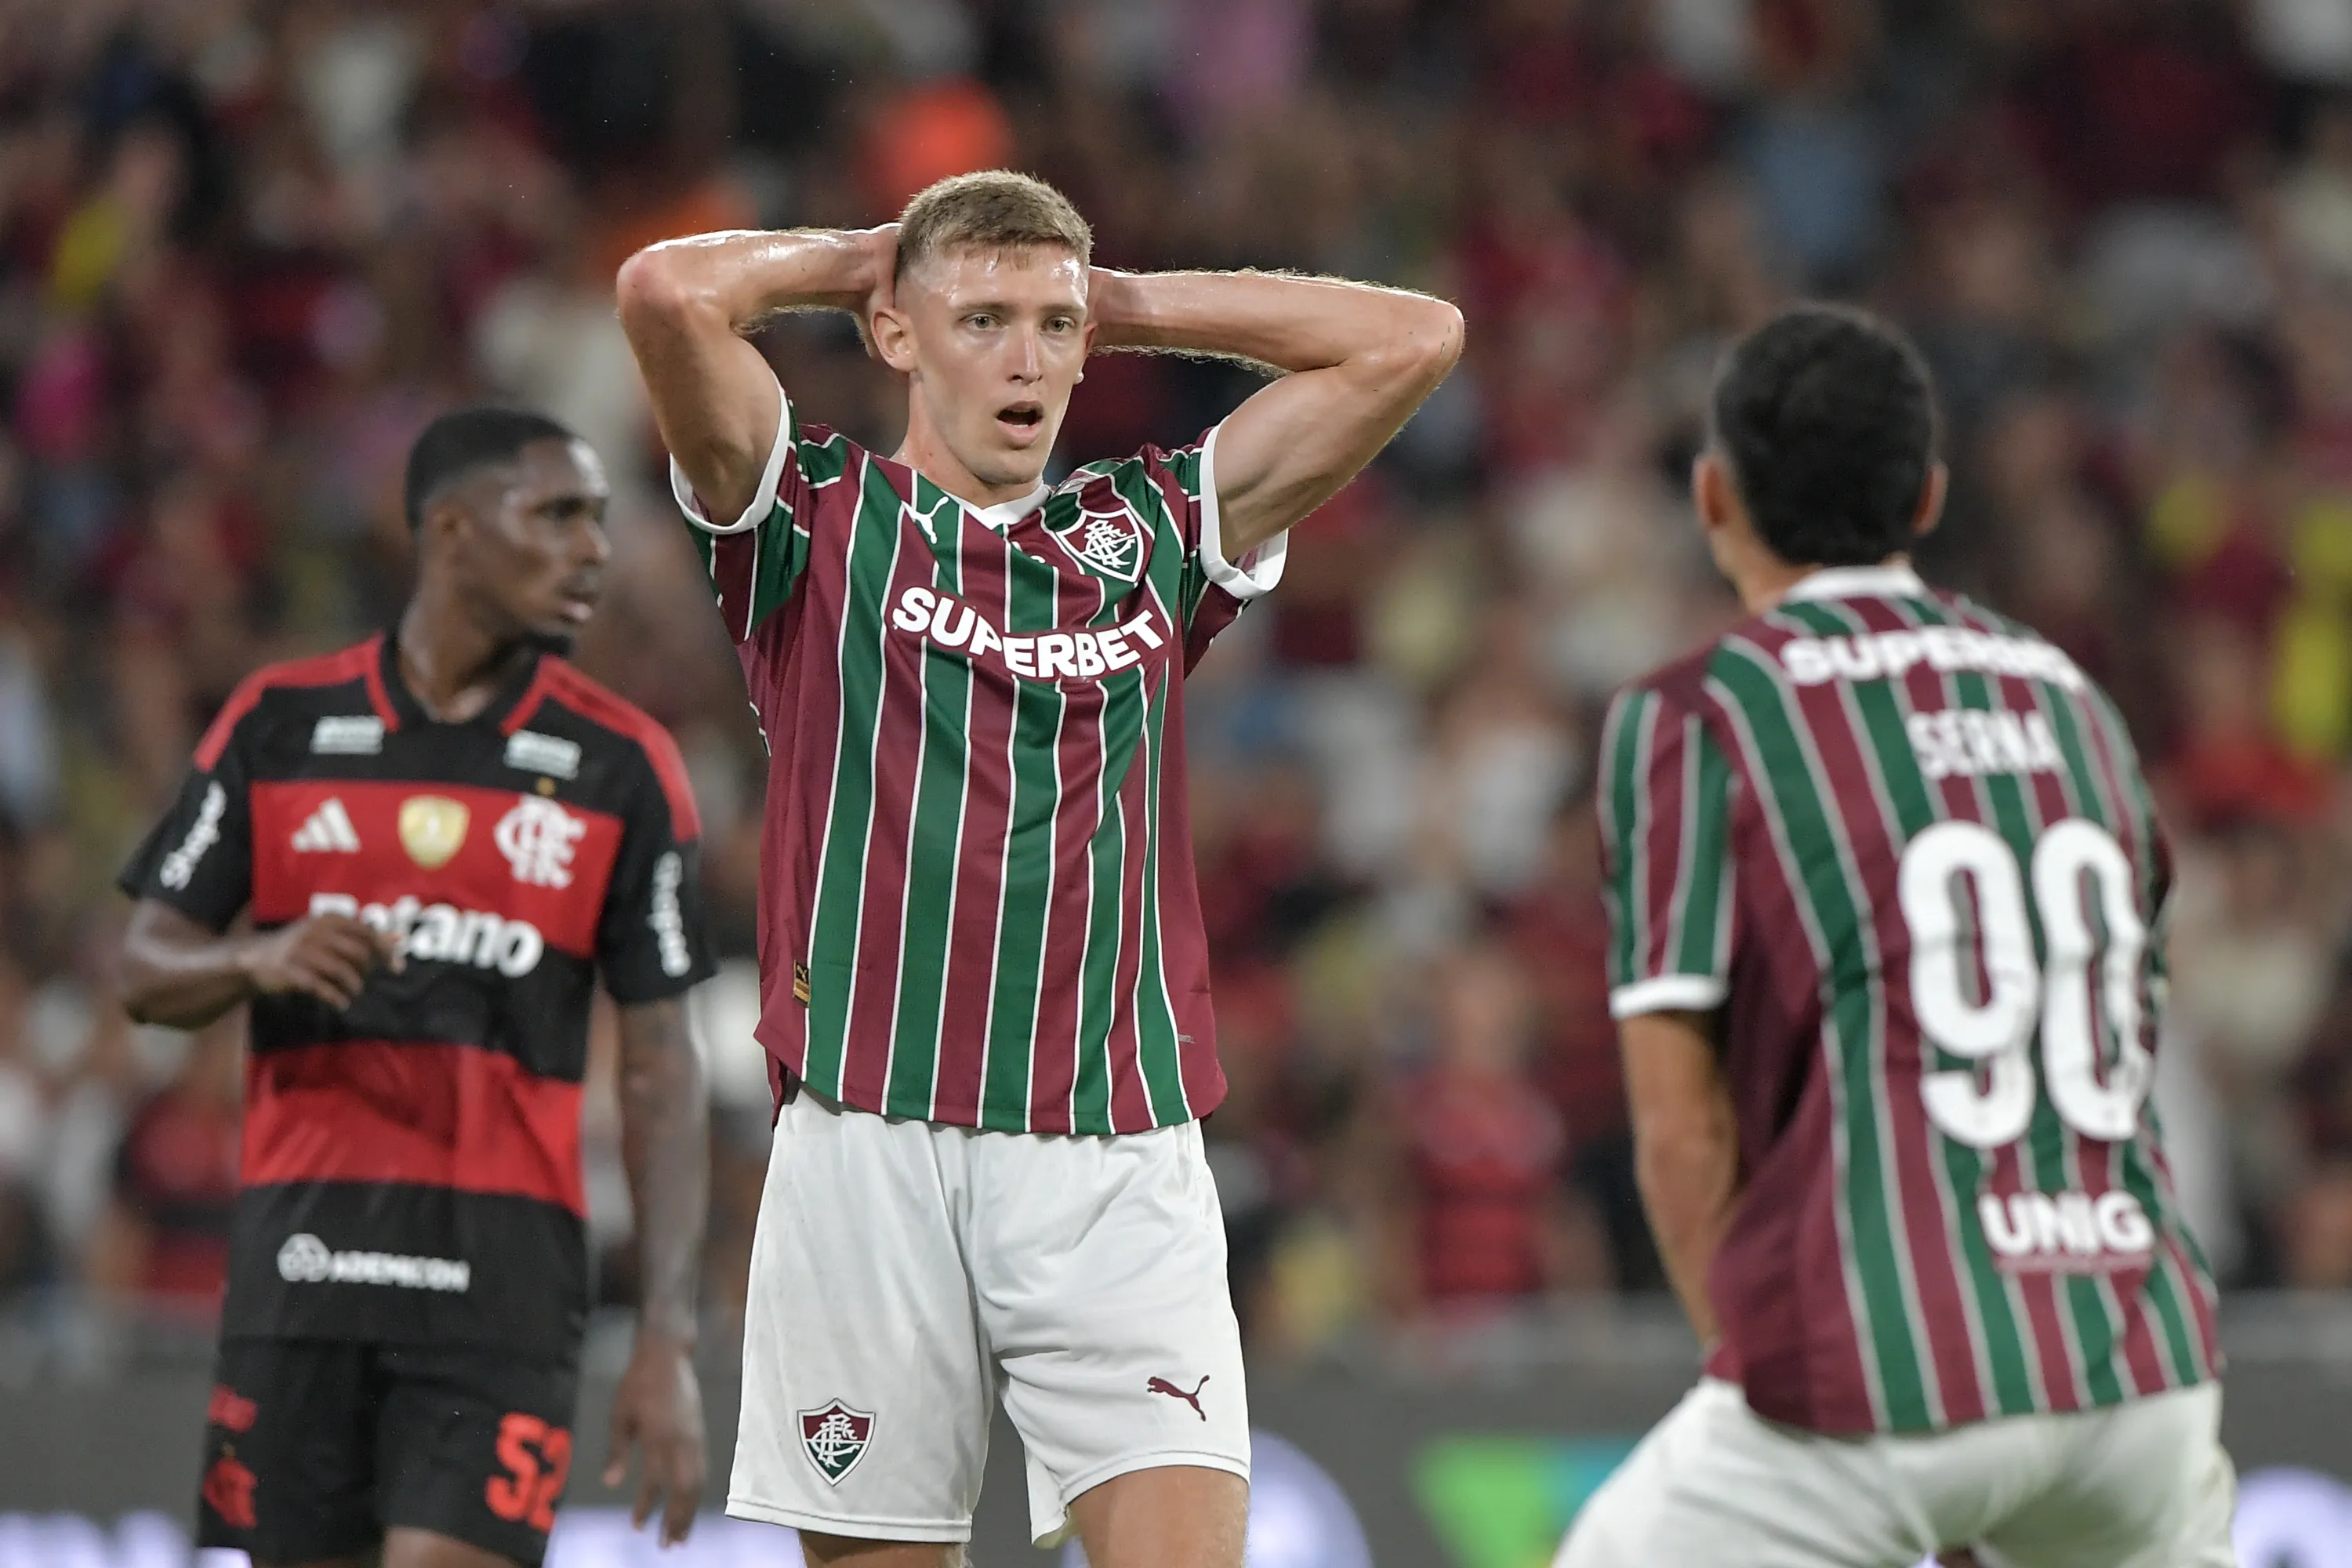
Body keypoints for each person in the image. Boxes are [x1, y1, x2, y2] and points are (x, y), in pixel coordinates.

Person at [615, 170, 1461, 1567]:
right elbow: (666, 293)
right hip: (867, 1144)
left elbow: (1414, 337)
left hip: (1115, 1155)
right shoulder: (812, 522)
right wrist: (866, 264)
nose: (1028, 359)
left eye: (1054, 329)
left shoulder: (1147, 536)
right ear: (896, 337)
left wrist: (1122, 304)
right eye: (984, 320)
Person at [1559, 306, 2236, 1568]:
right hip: (2140, 1367)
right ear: (1927, 496)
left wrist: (1755, 1383)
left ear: (1713, 497)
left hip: (1890, 1360)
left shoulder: (1699, 714)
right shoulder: (2072, 698)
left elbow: (1680, 1133)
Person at [115, 409, 718, 1568]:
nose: (594, 548)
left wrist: (666, 1338)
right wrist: (255, 958)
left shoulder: (622, 764)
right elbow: (147, 968)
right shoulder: (281, 725)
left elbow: (660, 1060)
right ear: (449, 530)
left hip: (503, 1283)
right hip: (303, 1273)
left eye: (598, 518)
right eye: (557, 515)